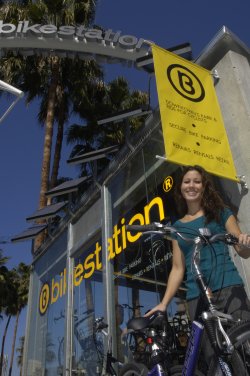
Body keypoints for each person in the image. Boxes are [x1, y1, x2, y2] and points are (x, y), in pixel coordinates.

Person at [145, 165, 250, 366]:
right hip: (197, 298)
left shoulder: (220, 213)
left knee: (246, 349)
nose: (191, 185)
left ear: (203, 187)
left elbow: (241, 249)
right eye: (187, 181)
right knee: (215, 361)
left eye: (197, 181)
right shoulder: (177, 227)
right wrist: (164, 304)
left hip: (229, 287)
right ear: (181, 188)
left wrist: (245, 244)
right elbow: (178, 268)